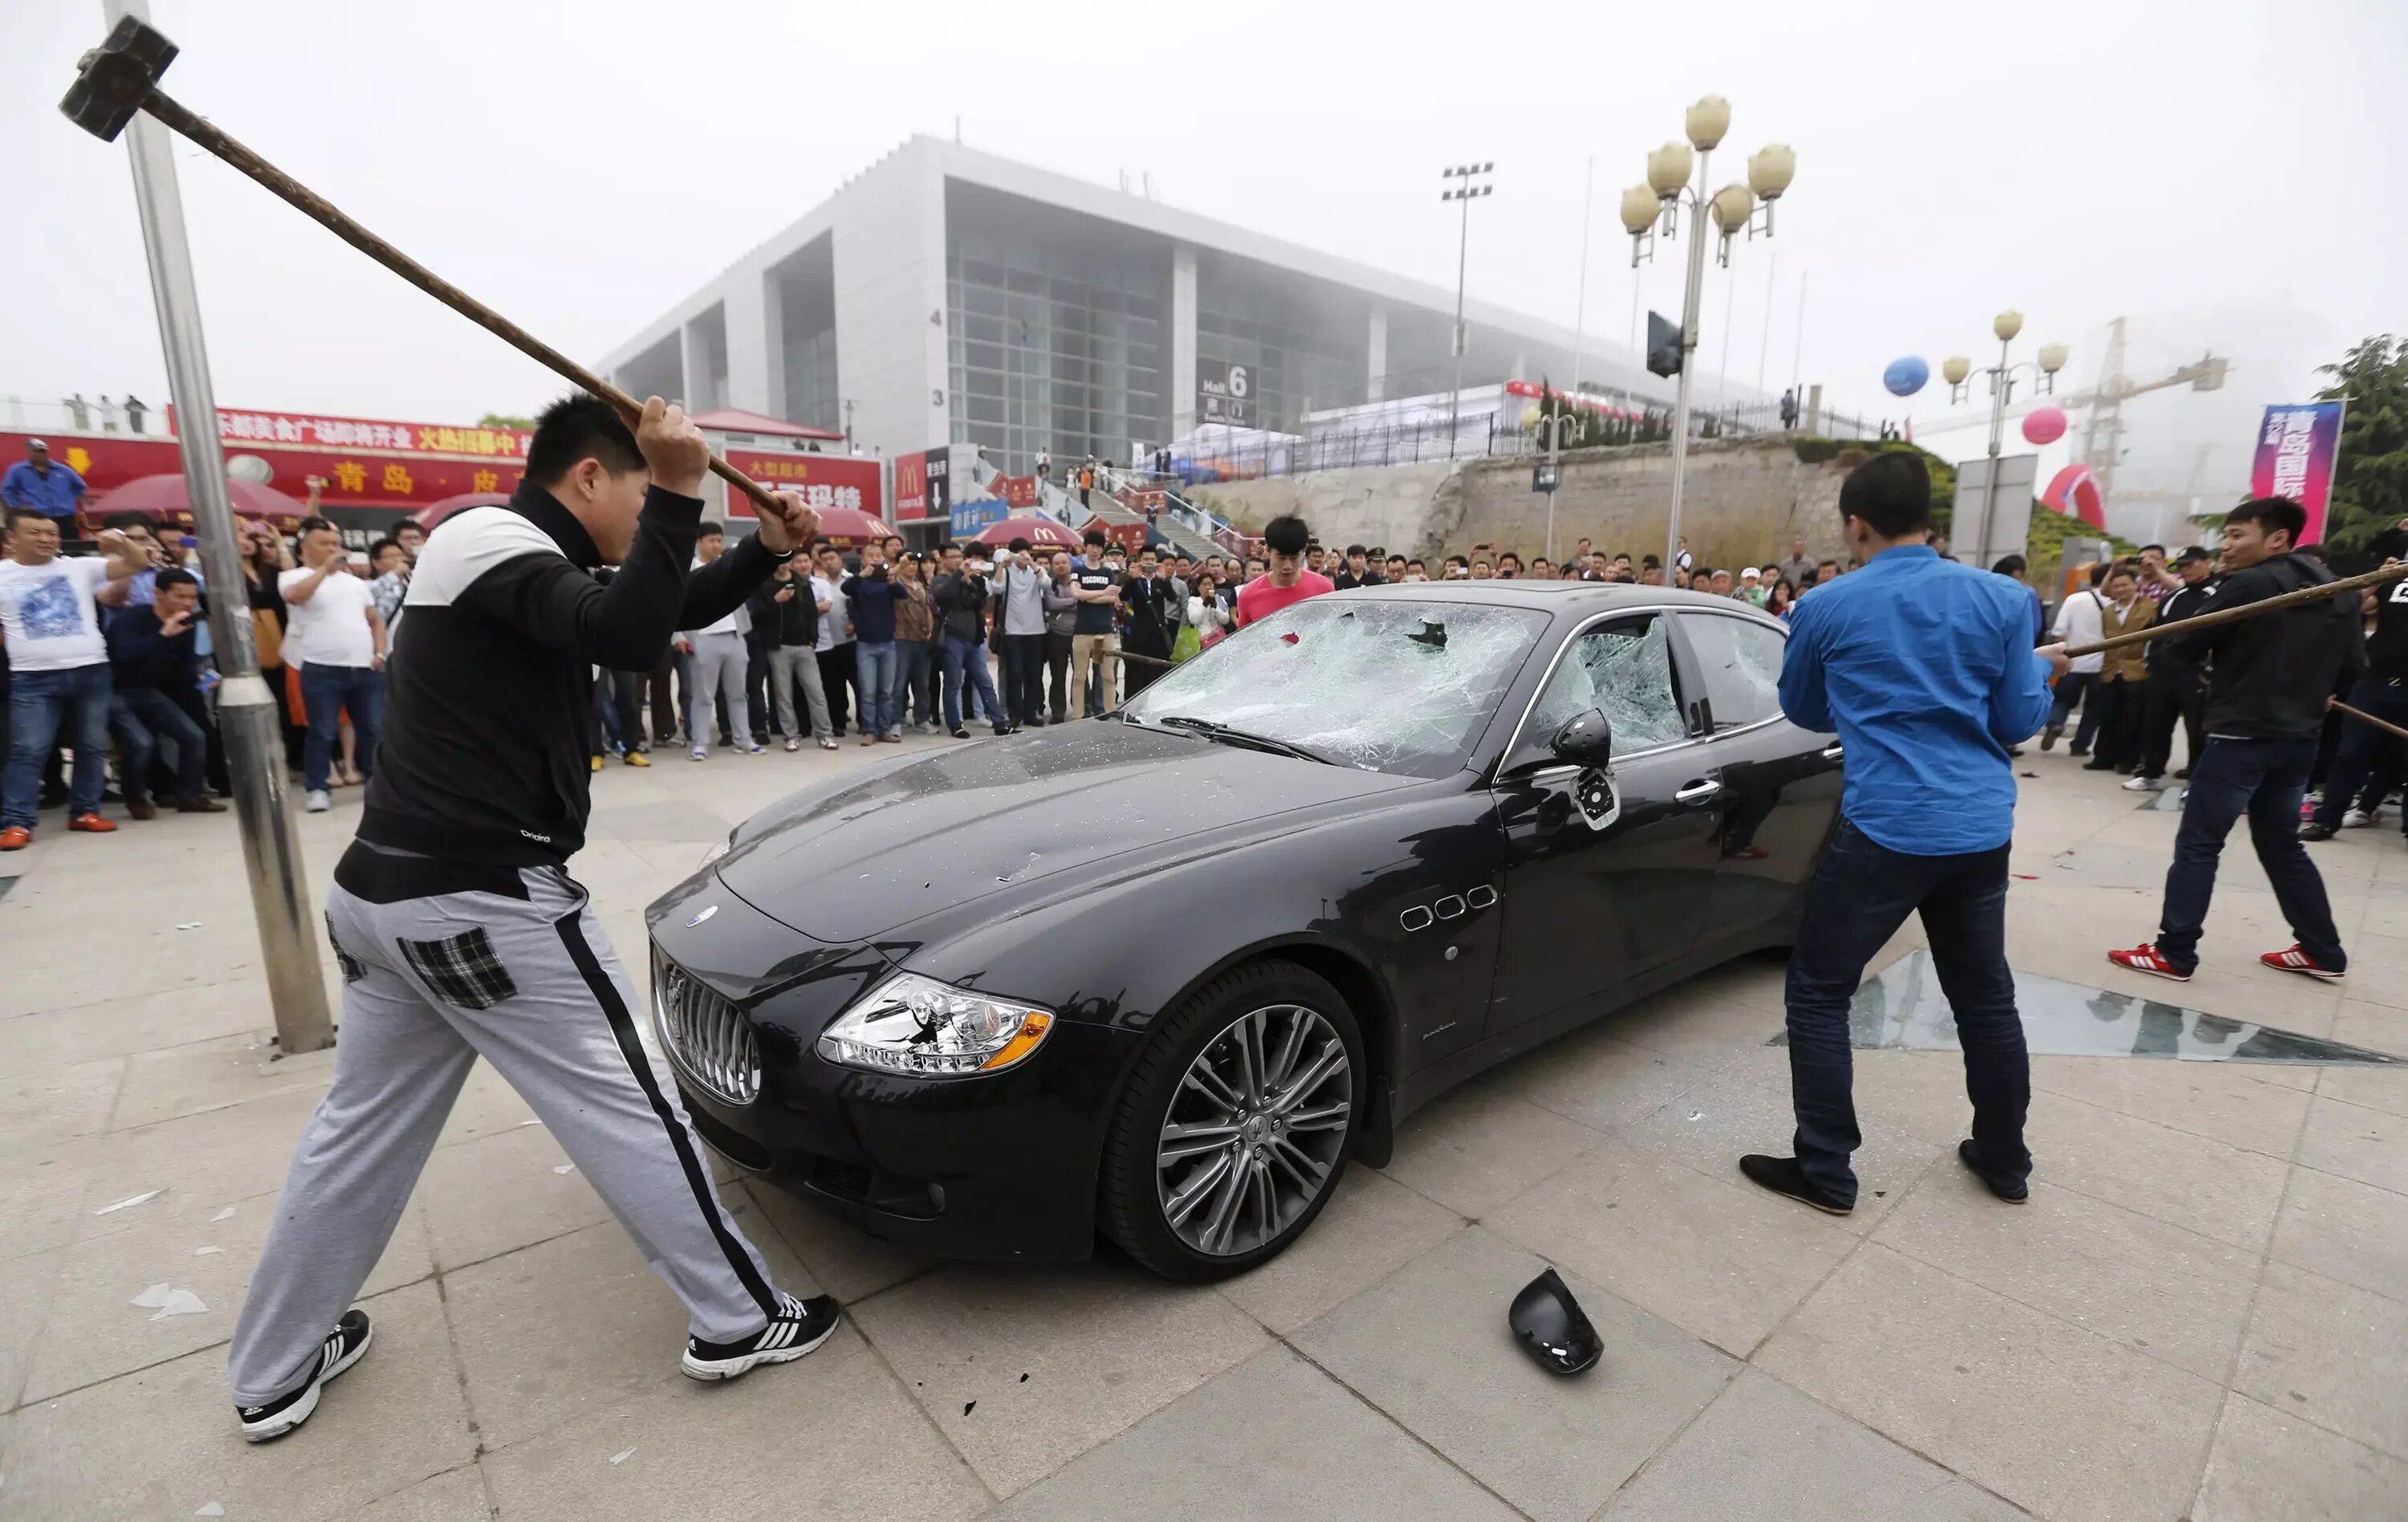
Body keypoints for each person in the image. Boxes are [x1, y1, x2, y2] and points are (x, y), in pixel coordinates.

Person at [226, 396, 836, 1444]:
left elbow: (658, 609)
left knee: (357, 1138)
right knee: (633, 1102)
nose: (648, 508)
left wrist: (762, 554)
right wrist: (686, 482)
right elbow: (633, 634)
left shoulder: (500, 558)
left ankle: (272, 1369)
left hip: (393, 901)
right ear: (592, 479)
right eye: (638, 488)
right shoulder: (487, 535)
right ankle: (741, 1317)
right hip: (481, 905)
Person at [1743, 451, 2063, 1215]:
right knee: (1985, 997)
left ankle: (1825, 1170)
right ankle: (2004, 1158)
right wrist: (2039, 675)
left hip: (1886, 828)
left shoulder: (1824, 606)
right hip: (1980, 828)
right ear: (1932, 522)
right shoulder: (2006, 600)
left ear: (1855, 525)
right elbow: (2019, 720)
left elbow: (1805, 708)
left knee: (1819, 991)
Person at [2108, 498, 2360, 982]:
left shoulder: (2251, 583)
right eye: (2226, 536)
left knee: (2200, 844)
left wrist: (2214, 676)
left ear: (2278, 538)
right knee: (2282, 844)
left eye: (2238, 535)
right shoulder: (2340, 589)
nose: (2226, 547)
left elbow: (2180, 647)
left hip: (2240, 735)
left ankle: (2174, 952)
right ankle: (2322, 950)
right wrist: (2314, 695)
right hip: (2300, 739)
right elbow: (2353, 668)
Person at [0, 511, 148, 848]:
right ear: (13, 538)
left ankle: (84, 811)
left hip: (91, 671)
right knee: (28, 750)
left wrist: (120, 541)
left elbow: (137, 563)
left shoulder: (79, 566)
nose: (46, 539)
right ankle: (17, 822)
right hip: (32, 677)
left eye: (51, 533)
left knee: (91, 746)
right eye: (35, 532)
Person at [2298, 527, 2408, 839]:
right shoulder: (2395, 575)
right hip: (2374, 681)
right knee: (2350, 753)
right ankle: (2326, 819)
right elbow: (2348, 607)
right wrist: (2378, 577)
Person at [279, 516, 389, 812]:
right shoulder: (292, 576)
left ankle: (378, 784)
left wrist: (380, 653)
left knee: (373, 730)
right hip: (321, 669)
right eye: (324, 544)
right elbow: (296, 597)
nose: (332, 548)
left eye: (335, 544)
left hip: (365, 669)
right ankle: (318, 788)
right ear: (305, 548)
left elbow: (375, 620)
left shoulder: (356, 584)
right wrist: (325, 570)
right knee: (323, 731)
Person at [105, 566, 225, 819]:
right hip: (116, 690)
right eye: (180, 597)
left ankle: (191, 796)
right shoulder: (133, 617)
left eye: (192, 598)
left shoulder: (186, 623)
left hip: (149, 691)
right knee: (141, 743)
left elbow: (184, 664)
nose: (188, 603)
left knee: (194, 735)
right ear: (158, 593)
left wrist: (203, 681)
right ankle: (136, 798)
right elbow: (121, 656)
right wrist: (163, 635)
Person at [2125, 547, 2216, 792]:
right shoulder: (2173, 596)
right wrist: (2152, 659)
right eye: (2181, 566)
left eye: (2191, 564)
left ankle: (2197, 779)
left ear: (2207, 562)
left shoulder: (2217, 592)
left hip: (2195, 671)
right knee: (2156, 723)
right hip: (2163, 671)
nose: (2185, 569)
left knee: (2197, 727)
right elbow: (2158, 631)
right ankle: (2150, 772)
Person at [675, 522, 757, 759]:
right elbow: (673, 605)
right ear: (699, 542)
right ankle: (700, 743)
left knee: (739, 693)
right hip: (702, 639)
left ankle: (744, 739)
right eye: (712, 540)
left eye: (720, 540)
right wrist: (678, 636)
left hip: (734, 636)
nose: (717, 545)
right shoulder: (686, 569)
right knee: (703, 695)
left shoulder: (728, 567)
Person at [750, 549, 835, 751]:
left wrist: (812, 640)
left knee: (816, 693)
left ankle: (825, 734)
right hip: (779, 647)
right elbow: (756, 615)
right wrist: (775, 601)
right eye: (778, 561)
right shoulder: (765, 584)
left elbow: (812, 614)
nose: (782, 564)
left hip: (804, 646)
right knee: (783, 695)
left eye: (786, 561)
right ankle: (791, 735)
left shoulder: (803, 583)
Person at [2080, 566, 2154, 774]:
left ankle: (2128, 760)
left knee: (2133, 718)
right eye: (2117, 586)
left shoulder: (2150, 608)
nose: (2121, 589)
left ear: (2135, 585)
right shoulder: (2108, 611)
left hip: (2137, 669)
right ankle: (2103, 757)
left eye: (2125, 585)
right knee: (2107, 715)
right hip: (2111, 669)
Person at [932, 542, 1007, 739]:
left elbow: (981, 601)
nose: (958, 560)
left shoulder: (971, 579)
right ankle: (955, 725)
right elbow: (942, 595)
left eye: (960, 556)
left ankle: (1000, 723)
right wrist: (959, 576)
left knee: (985, 682)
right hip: (952, 638)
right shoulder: (940, 580)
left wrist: (971, 580)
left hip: (974, 639)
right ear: (942, 559)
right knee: (953, 683)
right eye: (953, 556)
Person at [842, 543, 909, 744]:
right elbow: (845, 588)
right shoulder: (858, 581)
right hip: (865, 645)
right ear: (863, 559)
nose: (875, 559)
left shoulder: (887, 580)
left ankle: (885, 729)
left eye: (878, 555)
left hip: (888, 643)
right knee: (868, 691)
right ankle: (869, 730)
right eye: (870, 555)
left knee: (886, 691)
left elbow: (902, 594)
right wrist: (860, 575)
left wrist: (892, 580)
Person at [2041, 564, 2110, 754]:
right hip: (2102, 664)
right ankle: (2080, 745)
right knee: (2094, 707)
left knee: (2062, 699)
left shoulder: (2075, 599)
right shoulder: (2116, 602)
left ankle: (2055, 723)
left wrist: (2059, 655)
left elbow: (2059, 632)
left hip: (2073, 660)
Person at [1235, 515, 1333, 629]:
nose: (1288, 566)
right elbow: (1244, 641)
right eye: (1281, 558)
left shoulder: (1323, 588)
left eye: (1294, 558)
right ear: (1268, 551)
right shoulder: (1249, 595)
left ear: (1303, 553)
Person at [995, 538, 1049, 727]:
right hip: (1014, 630)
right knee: (1015, 673)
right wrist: (1002, 565)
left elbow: (1047, 585)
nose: (1024, 555)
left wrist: (1033, 564)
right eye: (1020, 552)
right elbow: (996, 588)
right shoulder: (1007, 572)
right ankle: (1015, 714)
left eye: (1027, 551)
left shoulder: (1036, 571)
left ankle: (1031, 713)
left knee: (1034, 674)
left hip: (1036, 630)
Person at [1068, 530, 1120, 717]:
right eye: (1091, 546)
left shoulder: (1107, 572)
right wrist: (1101, 592)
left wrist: (1088, 596)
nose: (1095, 550)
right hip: (1082, 631)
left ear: (1102, 549)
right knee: (1080, 677)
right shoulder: (1078, 571)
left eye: (1098, 546)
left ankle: (1109, 712)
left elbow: (1111, 599)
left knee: (1108, 676)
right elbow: (1075, 594)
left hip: (1105, 631)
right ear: (1085, 547)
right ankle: (1078, 716)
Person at [893, 551, 941, 735]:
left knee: (922, 683)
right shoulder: (895, 584)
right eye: (908, 563)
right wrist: (898, 565)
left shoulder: (921, 586)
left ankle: (922, 718)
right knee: (899, 683)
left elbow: (928, 610)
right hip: (901, 639)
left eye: (914, 564)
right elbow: (888, 578)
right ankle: (896, 720)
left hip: (921, 640)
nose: (912, 567)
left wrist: (929, 632)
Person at [2, 439, 89, 539]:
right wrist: (17, 506)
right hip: (37, 516)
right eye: (36, 451)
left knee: (71, 546)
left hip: (65, 516)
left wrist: (68, 500)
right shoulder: (17, 470)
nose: (40, 454)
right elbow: (7, 490)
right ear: (29, 452)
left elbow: (80, 487)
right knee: (42, 544)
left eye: (43, 451)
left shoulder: (63, 470)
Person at [811, 541, 856, 739]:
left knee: (858, 683)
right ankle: (838, 723)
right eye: (825, 560)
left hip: (850, 641)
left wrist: (855, 623)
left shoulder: (852, 581)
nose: (830, 563)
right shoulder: (818, 584)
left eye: (833, 558)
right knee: (833, 687)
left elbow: (861, 608)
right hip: (827, 643)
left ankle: (864, 722)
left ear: (841, 560)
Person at [1120, 547, 1177, 695]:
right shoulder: (1133, 579)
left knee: (1157, 673)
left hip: (1158, 635)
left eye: (1152, 559)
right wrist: (1132, 579)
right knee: (1135, 674)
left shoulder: (1161, 580)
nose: (1149, 562)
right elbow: (1123, 596)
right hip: (1137, 634)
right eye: (1146, 559)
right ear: (1139, 560)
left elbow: (1172, 597)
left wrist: (1165, 579)